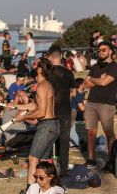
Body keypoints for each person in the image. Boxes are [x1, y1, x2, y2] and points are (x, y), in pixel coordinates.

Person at [14, 58, 59, 192]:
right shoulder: (47, 84)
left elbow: (41, 112)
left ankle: (29, 190)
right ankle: (44, 190)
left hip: (46, 125)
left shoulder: (41, 86)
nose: (33, 65)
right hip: (53, 125)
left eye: (36, 65)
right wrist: (16, 106)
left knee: (33, 159)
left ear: (40, 69)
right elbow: (35, 105)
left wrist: (23, 118)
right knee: (43, 162)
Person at [84, 41, 117, 168]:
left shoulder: (114, 66)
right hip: (91, 103)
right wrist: (98, 79)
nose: (101, 52)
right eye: (99, 50)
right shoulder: (95, 66)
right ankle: (91, 159)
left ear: (110, 51)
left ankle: (112, 160)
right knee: (91, 132)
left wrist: (93, 79)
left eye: (103, 50)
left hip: (107, 104)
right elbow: (86, 84)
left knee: (109, 133)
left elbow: (104, 83)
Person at [47, 45, 76, 176]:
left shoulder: (47, 73)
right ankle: (63, 170)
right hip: (65, 110)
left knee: (48, 140)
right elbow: (73, 93)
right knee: (64, 142)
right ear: (60, 56)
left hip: (50, 110)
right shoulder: (69, 73)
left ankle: (47, 167)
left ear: (50, 57)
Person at [70, 78, 85, 147]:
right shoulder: (76, 93)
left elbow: (83, 103)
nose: (85, 84)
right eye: (84, 83)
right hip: (72, 111)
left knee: (72, 128)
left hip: (75, 111)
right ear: (81, 84)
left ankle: (77, 142)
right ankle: (79, 142)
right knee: (70, 128)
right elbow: (82, 108)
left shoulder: (82, 92)